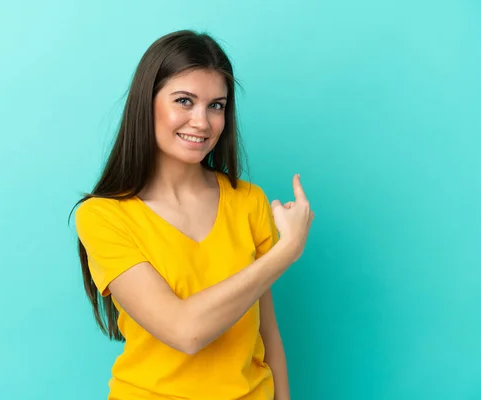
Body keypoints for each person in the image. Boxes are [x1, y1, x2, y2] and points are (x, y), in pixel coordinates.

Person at [73, 29, 314, 400]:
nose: (202, 122)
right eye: (184, 101)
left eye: (216, 105)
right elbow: (185, 332)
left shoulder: (248, 201)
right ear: (146, 102)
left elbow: (267, 333)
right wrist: (286, 251)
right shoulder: (103, 216)